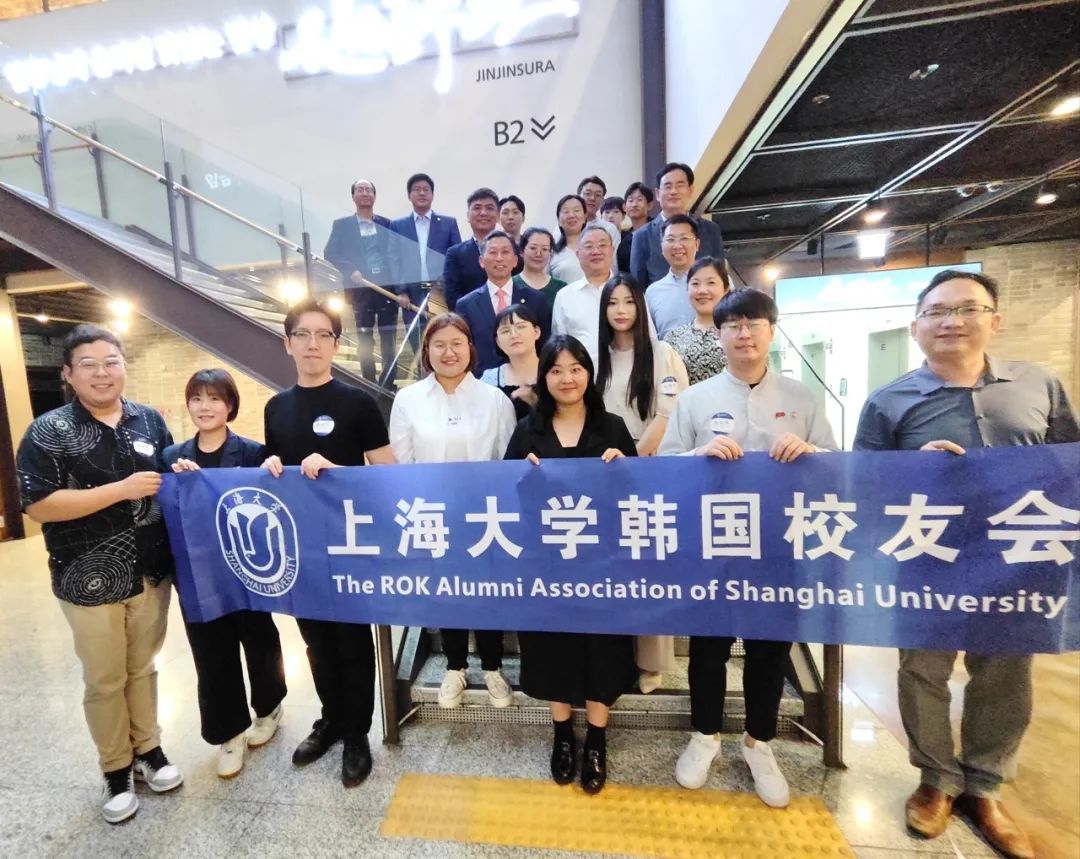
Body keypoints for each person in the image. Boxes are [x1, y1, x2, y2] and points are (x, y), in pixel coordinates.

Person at [853, 269, 1079, 859]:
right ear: (916, 327)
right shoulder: (888, 401)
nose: (952, 321)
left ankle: (985, 785)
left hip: (1016, 557)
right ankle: (935, 779)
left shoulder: (1039, 385)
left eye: (967, 309)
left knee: (1005, 672)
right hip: (927, 555)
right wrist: (913, 470)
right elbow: (864, 484)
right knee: (922, 670)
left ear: (994, 320)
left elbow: (1068, 464)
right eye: (937, 311)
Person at [659, 288, 838, 808]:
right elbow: (665, 468)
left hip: (779, 546)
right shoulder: (695, 399)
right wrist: (698, 454)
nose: (743, 334)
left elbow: (835, 465)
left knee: (769, 649)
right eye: (733, 325)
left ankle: (760, 742)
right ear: (718, 335)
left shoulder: (803, 398)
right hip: (712, 543)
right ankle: (705, 735)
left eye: (754, 323)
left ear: (771, 331)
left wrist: (811, 451)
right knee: (708, 647)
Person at [16, 324, 183, 824]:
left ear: (123, 366)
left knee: (143, 667)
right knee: (105, 678)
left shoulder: (149, 421)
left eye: (111, 362)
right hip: (87, 577)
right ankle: (115, 767)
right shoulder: (48, 431)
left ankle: (149, 750)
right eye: (88, 365)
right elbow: (38, 504)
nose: (102, 373)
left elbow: (170, 480)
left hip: (150, 571)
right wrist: (120, 490)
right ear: (69, 374)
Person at [261, 298, 396, 788]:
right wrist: (269, 469)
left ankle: (357, 733)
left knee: (352, 642)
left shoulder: (358, 403)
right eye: (302, 334)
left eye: (323, 335)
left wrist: (340, 473)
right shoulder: (276, 407)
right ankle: (331, 719)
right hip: (300, 548)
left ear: (337, 345)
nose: (312, 344)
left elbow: (388, 474)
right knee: (316, 641)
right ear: (288, 343)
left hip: (349, 544)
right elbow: (277, 474)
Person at [504, 335, 638, 794]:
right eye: (556, 370)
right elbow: (505, 496)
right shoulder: (527, 430)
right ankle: (562, 733)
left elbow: (637, 499)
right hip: (546, 566)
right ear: (544, 377)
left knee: (604, 649)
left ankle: (597, 738)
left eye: (576, 369)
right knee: (553, 649)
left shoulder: (613, 428)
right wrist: (521, 476)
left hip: (603, 565)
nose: (567, 378)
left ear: (589, 374)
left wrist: (625, 469)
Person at [163, 369, 286, 779]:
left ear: (230, 405)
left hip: (247, 570)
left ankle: (269, 707)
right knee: (211, 653)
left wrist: (272, 470)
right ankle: (229, 733)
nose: (205, 407)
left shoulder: (251, 453)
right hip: (198, 576)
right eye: (197, 398)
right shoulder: (172, 456)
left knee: (259, 639)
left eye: (215, 398)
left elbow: (270, 501)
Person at [389, 313, 517, 710]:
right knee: (447, 593)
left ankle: (493, 667)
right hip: (433, 516)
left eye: (457, 343)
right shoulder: (408, 400)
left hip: (485, 517)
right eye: (439, 344)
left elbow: (506, 461)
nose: (449, 352)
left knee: (487, 593)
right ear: (427, 350)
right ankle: (455, 667)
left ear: (470, 349)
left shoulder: (495, 400)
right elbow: (402, 462)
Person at [596, 274, 688, 692]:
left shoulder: (662, 354)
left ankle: (651, 662)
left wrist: (634, 459)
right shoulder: (596, 357)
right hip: (606, 470)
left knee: (650, 568)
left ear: (640, 307)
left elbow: (669, 413)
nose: (620, 310)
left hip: (648, 467)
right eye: (612, 302)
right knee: (612, 567)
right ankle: (615, 654)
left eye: (628, 302)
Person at [324, 178, 400, 385]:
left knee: (389, 339)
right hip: (360, 290)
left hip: (386, 290)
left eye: (368, 190)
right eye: (360, 190)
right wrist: (350, 270)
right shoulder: (342, 225)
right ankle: (368, 381)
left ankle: (388, 382)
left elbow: (395, 254)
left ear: (374, 196)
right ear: (353, 196)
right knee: (365, 338)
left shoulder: (387, 224)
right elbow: (330, 252)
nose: (365, 193)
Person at [389, 172, 463, 360]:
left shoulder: (448, 223)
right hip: (411, 294)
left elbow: (456, 259)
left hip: (440, 293)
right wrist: (401, 291)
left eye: (426, 189)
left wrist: (449, 288)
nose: (421, 193)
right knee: (418, 346)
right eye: (417, 189)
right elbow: (393, 259)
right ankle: (424, 375)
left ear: (432, 194)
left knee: (443, 337)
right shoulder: (398, 225)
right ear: (409, 195)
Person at [454, 230, 550, 374]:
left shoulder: (536, 299)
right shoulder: (466, 305)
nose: (499, 258)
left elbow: (545, 346)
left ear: (515, 260)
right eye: (493, 252)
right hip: (483, 381)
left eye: (505, 252)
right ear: (481, 261)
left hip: (529, 380)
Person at [552, 224, 649, 365]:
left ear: (612, 251)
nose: (596, 251)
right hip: (582, 373)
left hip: (628, 369)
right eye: (589, 246)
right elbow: (559, 345)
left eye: (602, 245)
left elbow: (648, 336)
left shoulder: (631, 290)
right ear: (578, 254)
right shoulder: (564, 296)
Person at [630, 162, 725, 289]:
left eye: (680, 185)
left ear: (690, 190)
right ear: (657, 194)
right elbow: (638, 285)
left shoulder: (710, 230)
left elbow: (720, 276)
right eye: (668, 186)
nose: (673, 191)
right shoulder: (642, 236)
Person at [664, 256, 730, 385]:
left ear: (726, 290)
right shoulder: (673, 339)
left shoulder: (739, 333)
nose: (702, 291)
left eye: (711, 283)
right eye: (695, 284)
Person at [480, 303, 543, 421]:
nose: (514, 335)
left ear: (536, 332)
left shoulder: (554, 371)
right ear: (498, 342)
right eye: (505, 331)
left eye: (521, 327)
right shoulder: (489, 380)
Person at [444, 187, 500, 311]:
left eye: (489, 208)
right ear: (468, 216)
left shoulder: (511, 250)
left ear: (498, 215)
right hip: (470, 318)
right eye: (477, 208)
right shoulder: (455, 254)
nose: (483, 213)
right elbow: (452, 296)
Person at [646, 214, 700, 339]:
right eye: (670, 240)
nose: (677, 246)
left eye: (684, 238)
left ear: (697, 244)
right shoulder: (653, 292)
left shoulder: (717, 282)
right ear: (661, 246)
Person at [513, 226, 566, 307]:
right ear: (522, 251)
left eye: (544, 249)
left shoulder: (561, 287)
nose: (538, 254)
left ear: (550, 253)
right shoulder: (510, 284)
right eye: (533, 248)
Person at [548, 194, 588, 284]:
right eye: (566, 212)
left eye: (576, 210)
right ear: (558, 220)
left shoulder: (595, 249)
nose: (571, 215)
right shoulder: (551, 252)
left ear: (585, 217)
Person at [577, 175, 622, 250]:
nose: (592, 198)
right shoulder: (566, 227)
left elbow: (613, 256)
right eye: (588, 193)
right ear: (578, 197)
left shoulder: (609, 229)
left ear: (602, 201)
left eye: (598, 195)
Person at [601, 196, 633, 273]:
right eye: (607, 212)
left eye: (616, 212)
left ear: (623, 216)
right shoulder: (596, 237)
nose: (610, 216)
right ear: (601, 216)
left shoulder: (630, 238)